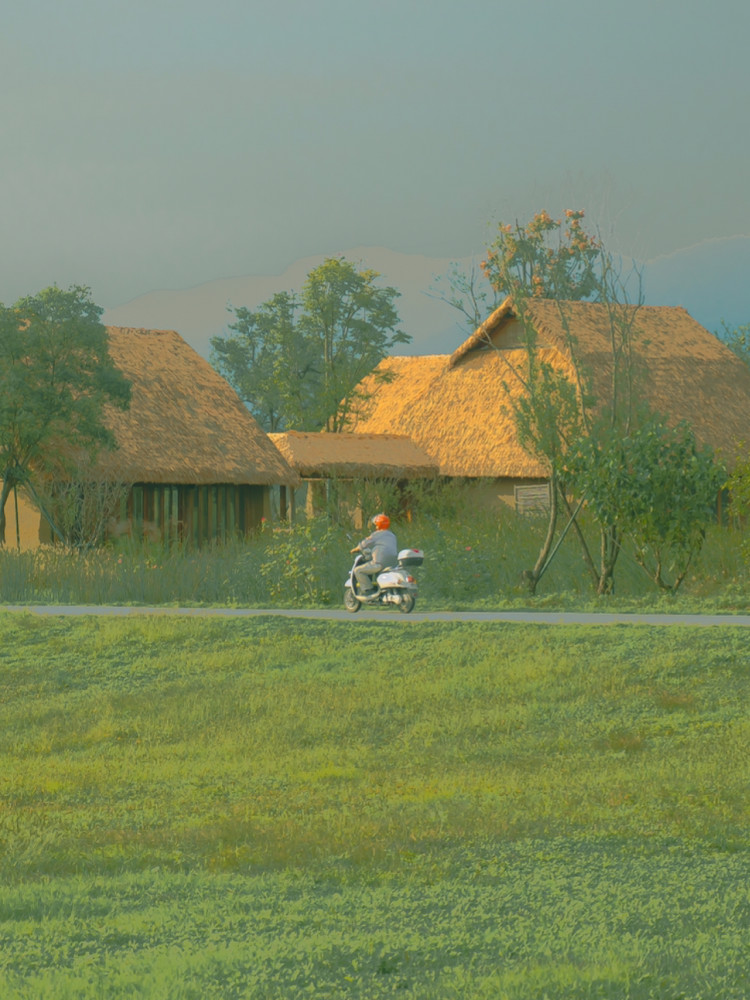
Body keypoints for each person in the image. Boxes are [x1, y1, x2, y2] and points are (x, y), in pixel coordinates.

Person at [351, 513, 398, 596]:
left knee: (357, 570)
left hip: (379, 563)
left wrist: (355, 549)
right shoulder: (392, 535)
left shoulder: (377, 534)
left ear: (378, 524)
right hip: (392, 564)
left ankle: (368, 590)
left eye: (375, 524)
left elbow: (365, 543)